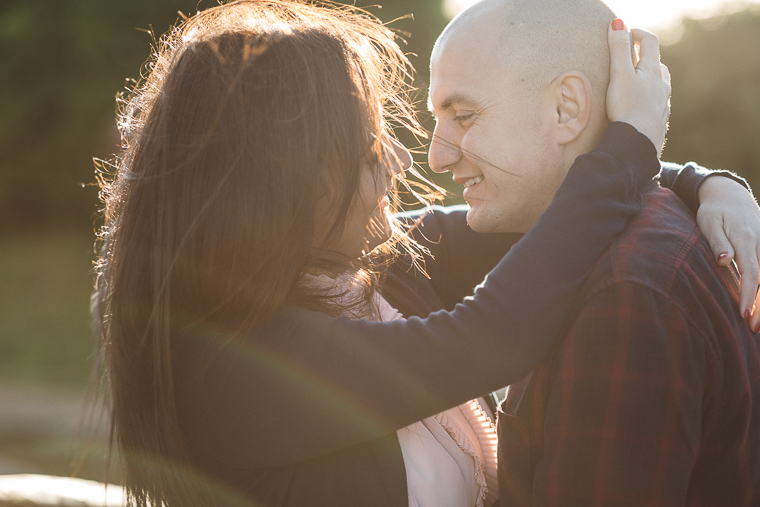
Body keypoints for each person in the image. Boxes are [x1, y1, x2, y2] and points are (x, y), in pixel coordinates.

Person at [92, 1, 758, 506]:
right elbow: (490, 336)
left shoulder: (357, 263)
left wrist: (705, 182)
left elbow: (551, 206)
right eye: (369, 149)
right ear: (290, 180)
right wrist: (631, 145)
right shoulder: (223, 360)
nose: (413, 161)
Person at [425, 0, 760, 505]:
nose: (436, 155)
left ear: (567, 108)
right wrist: (708, 180)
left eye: (464, 116)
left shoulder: (626, 292)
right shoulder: (634, 240)